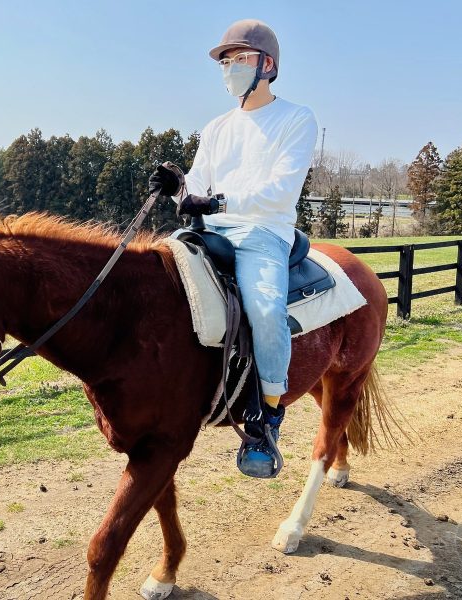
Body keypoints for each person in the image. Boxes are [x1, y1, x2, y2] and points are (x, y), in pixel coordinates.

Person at [149, 19, 319, 478]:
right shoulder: (217, 127)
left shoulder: (297, 119)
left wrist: (219, 200)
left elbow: (282, 190)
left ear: (267, 64)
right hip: (212, 230)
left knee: (264, 309)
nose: (229, 69)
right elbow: (196, 189)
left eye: (238, 59)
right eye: (225, 62)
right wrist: (176, 186)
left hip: (264, 231)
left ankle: (267, 417)